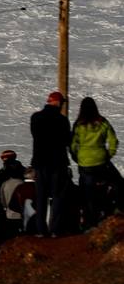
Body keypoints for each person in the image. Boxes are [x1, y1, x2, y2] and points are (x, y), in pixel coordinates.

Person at [71, 96, 122, 228]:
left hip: (84, 164)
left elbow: (72, 145)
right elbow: (113, 141)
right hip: (101, 163)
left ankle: (89, 222)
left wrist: (77, 158)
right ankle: (112, 210)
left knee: (87, 192)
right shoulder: (102, 122)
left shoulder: (78, 124)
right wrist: (108, 156)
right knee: (117, 182)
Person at [30, 91, 72, 236]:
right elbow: (67, 141)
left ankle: (41, 230)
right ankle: (55, 229)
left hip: (40, 163)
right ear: (59, 103)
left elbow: (35, 135)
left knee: (41, 196)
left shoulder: (36, 118)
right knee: (57, 196)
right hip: (57, 163)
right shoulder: (62, 120)